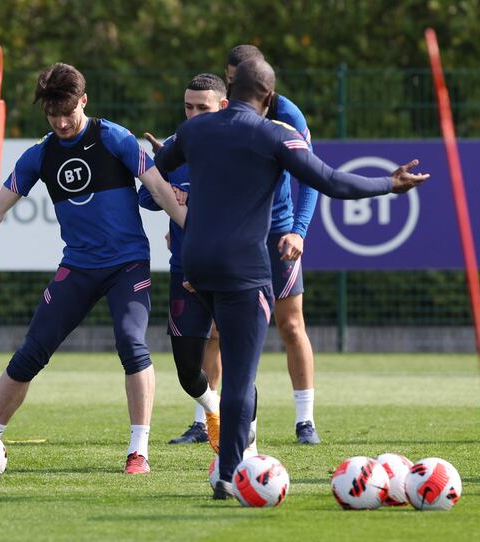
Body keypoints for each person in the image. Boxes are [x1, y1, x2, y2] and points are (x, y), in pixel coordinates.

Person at [154, 57, 428, 499]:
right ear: (268, 97)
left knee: (212, 354)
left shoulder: (192, 130)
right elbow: (332, 181)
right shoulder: (275, 134)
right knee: (241, 378)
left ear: (230, 87)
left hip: (195, 263)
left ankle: (236, 447)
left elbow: (158, 169)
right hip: (242, 267)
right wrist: (388, 184)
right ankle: (229, 476)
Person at [0, 63, 186, 474]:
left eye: (68, 112)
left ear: (84, 101)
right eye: (52, 115)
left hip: (127, 265)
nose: (62, 122)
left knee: (131, 343)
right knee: (32, 351)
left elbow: (158, 189)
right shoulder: (40, 155)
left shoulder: (114, 138)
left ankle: (139, 451)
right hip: (78, 267)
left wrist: (194, 231)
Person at [226, 44, 321, 444]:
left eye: (240, 81)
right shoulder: (219, 112)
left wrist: (297, 230)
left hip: (276, 232)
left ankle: (305, 421)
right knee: (220, 328)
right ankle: (208, 420)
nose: (234, 89)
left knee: (291, 324)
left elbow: (313, 178)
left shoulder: (287, 115)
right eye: (230, 81)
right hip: (232, 236)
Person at [138, 73, 229, 452]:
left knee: (234, 357)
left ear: (223, 107)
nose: (193, 115)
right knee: (187, 370)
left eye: (202, 108)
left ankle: (242, 450)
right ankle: (213, 412)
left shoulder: (240, 146)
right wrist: (164, 173)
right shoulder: (177, 147)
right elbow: (146, 198)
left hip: (230, 271)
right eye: (187, 107)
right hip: (184, 271)